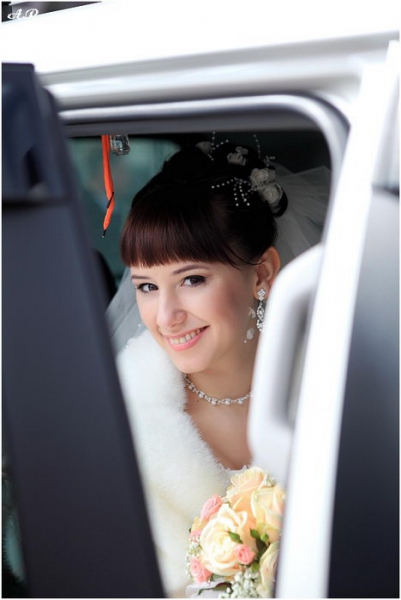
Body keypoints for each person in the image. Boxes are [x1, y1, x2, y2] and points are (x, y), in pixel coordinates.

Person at [115, 139, 330, 597]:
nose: (166, 316)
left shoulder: (335, 388)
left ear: (262, 274)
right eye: (147, 286)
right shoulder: (120, 421)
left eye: (192, 279)